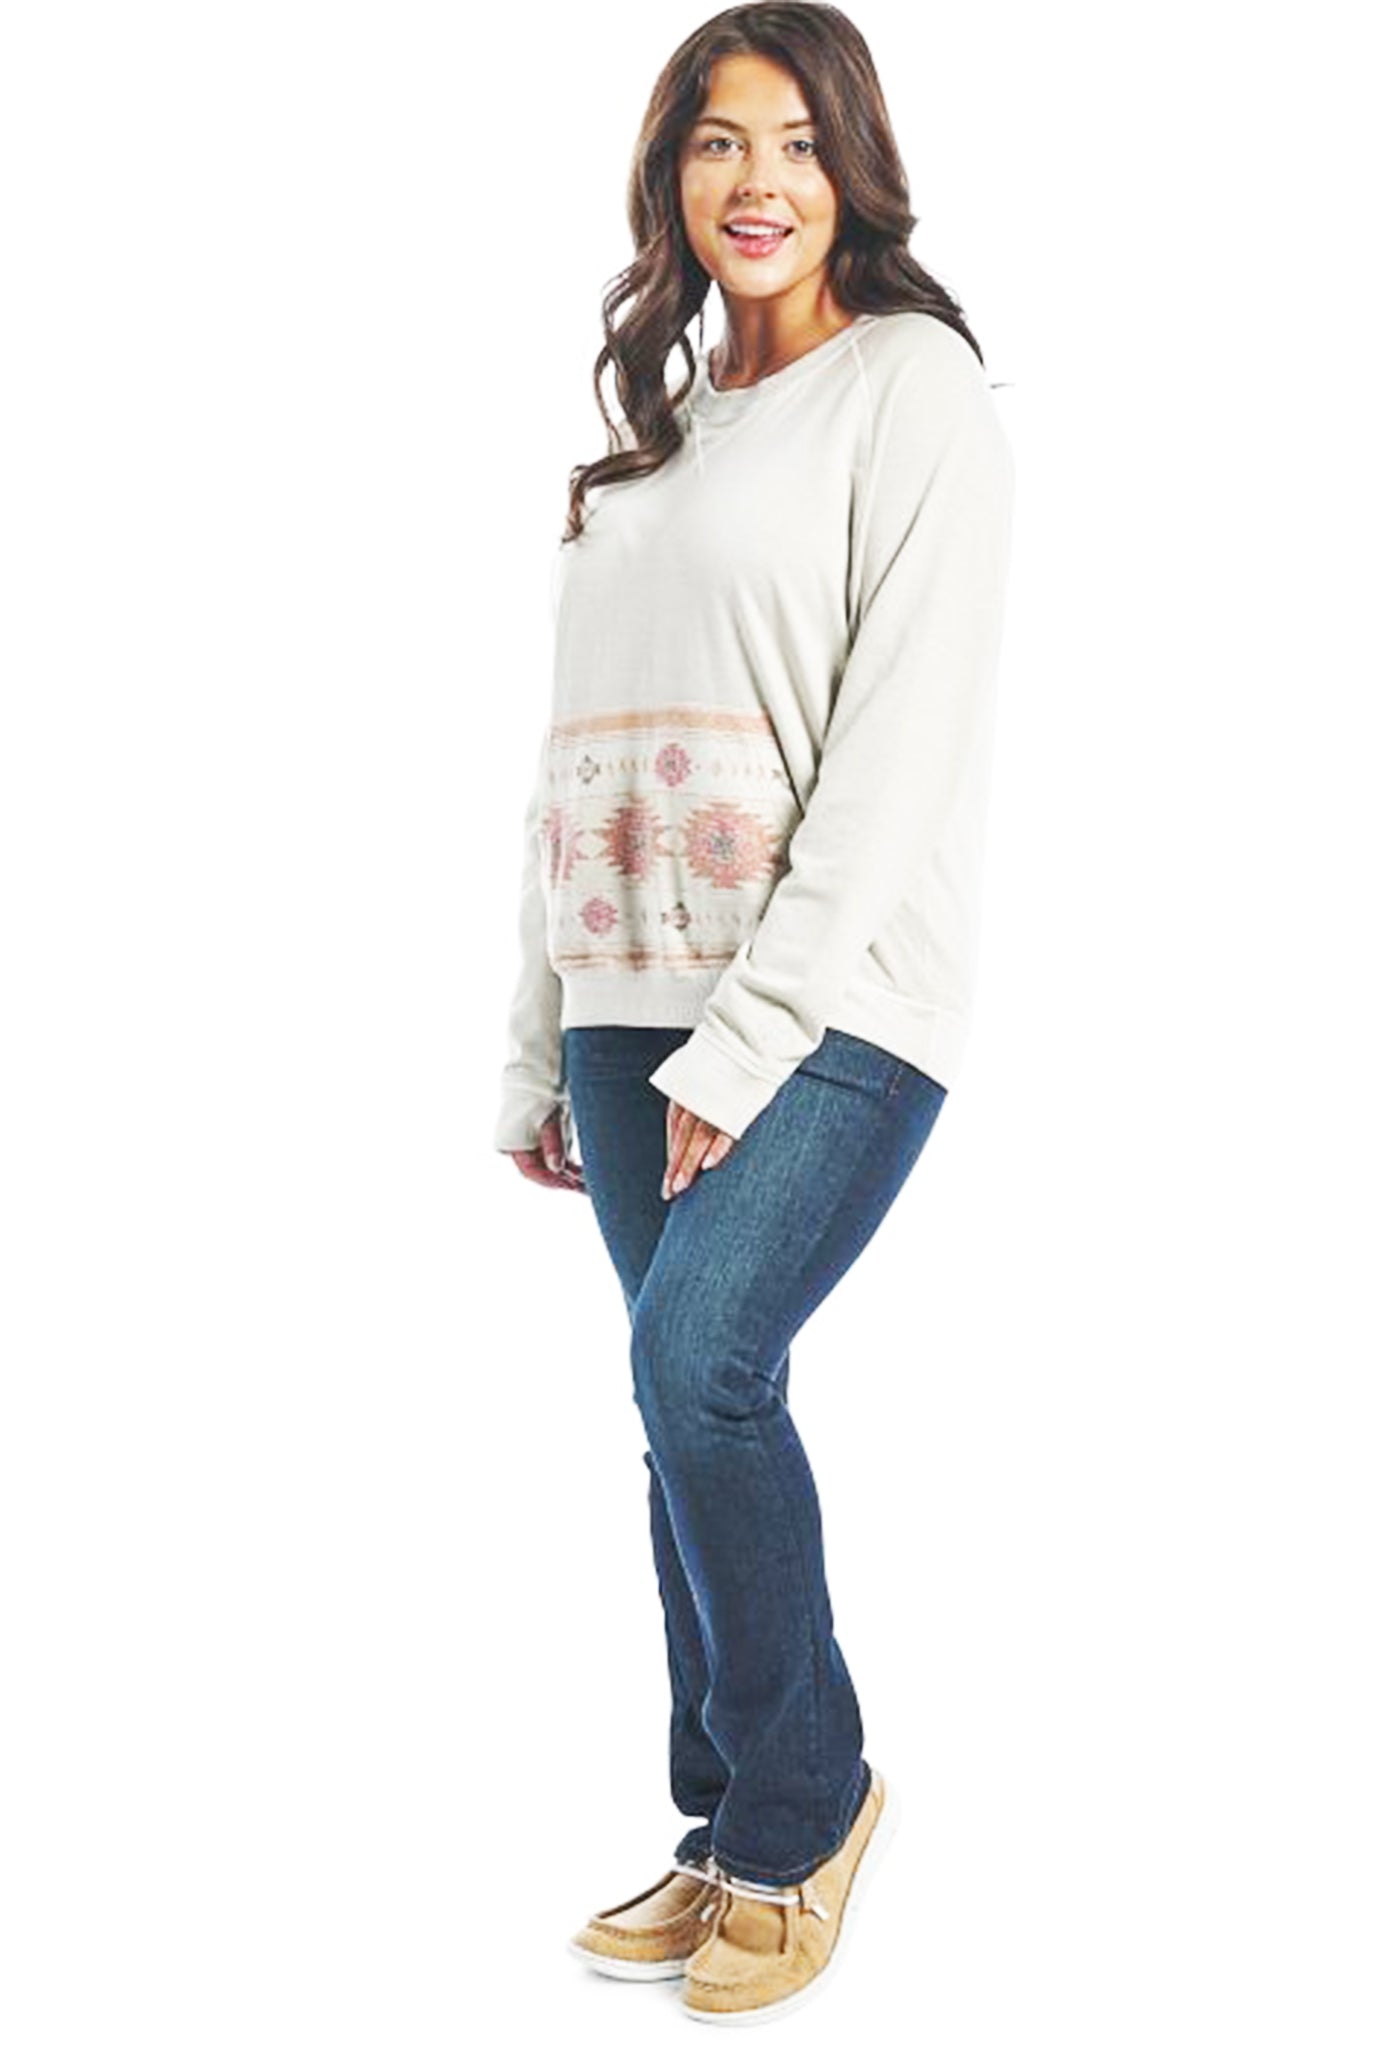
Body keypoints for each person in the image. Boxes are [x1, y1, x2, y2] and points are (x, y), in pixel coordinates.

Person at [493, 2, 1014, 2023]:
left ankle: (806, 1811)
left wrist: (750, 1038)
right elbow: (568, 766)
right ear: (672, 177)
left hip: (835, 1000)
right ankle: (721, 1826)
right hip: (626, 1004)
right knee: (672, 1395)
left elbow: (899, 754)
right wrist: (538, 1036)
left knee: (701, 1364)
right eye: (717, 142)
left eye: (794, 141)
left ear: (850, 167)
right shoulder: (663, 431)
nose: (757, 181)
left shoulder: (916, 393)